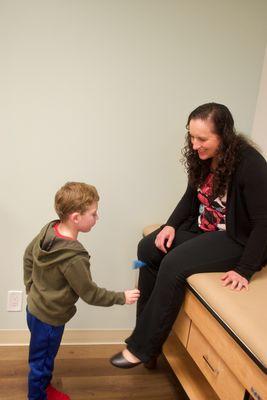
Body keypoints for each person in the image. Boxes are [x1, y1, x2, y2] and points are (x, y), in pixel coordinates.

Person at [110, 102, 267, 369]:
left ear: (224, 135)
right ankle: (147, 337)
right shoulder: (204, 157)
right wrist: (170, 225)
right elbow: (190, 196)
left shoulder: (251, 164)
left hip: (236, 239)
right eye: (191, 137)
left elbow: (264, 222)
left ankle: (142, 348)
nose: (194, 145)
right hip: (204, 230)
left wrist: (245, 269)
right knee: (149, 247)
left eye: (202, 139)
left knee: (173, 263)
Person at [24, 182, 140, 400]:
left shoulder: (49, 230)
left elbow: (28, 256)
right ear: (76, 218)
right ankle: (37, 396)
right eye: (94, 214)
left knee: (44, 356)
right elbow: (90, 294)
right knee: (40, 361)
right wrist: (121, 298)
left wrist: (30, 287)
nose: (97, 218)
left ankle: (44, 388)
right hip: (50, 319)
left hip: (34, 309)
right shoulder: (74, 257)